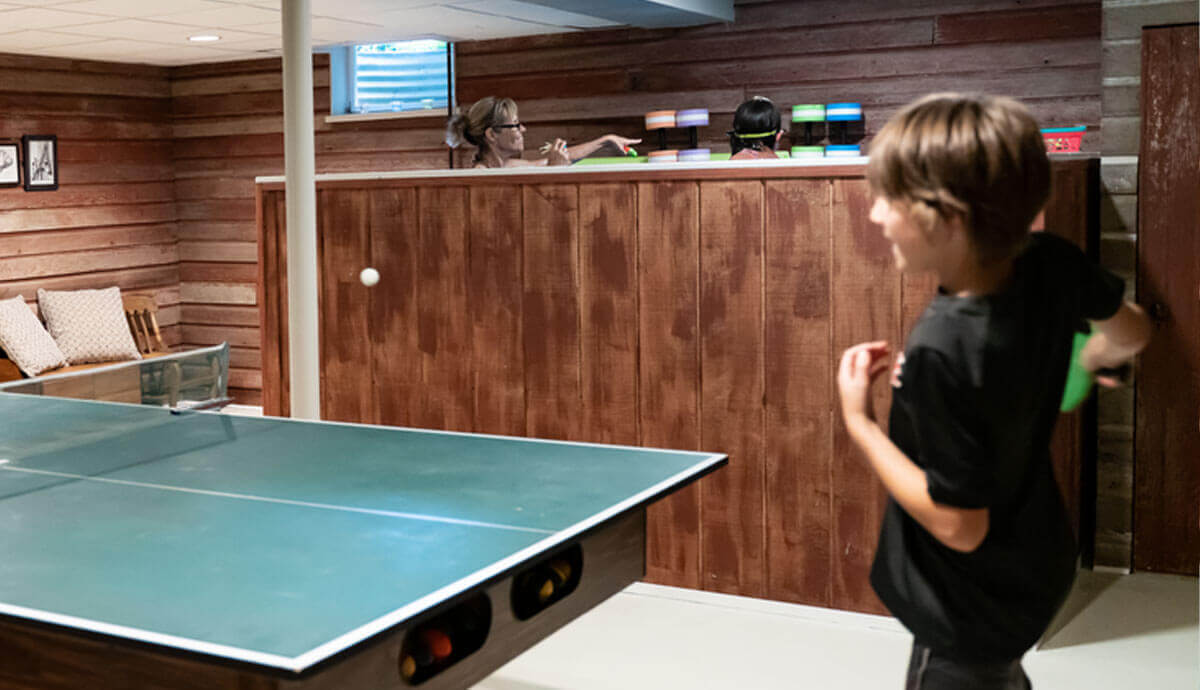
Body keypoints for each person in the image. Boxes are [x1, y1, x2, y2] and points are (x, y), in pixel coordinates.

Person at [835, 93, 1151, 689]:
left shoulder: (942, 348)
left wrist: (861, 424)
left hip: (965, 603)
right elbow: (1131, 331)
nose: (875, 215)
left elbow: (961, 526)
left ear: (946, 217)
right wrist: (1095, 356)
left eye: (888, 200)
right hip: (1033, 564)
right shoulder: (1050, 260)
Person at [446, 96, 639, 169]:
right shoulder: (480, 175)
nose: (523, 129)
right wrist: (555, 171)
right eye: (515, 125)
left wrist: (605, 141)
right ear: (492, 135)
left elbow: (555, 159)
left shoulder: (510, 165)